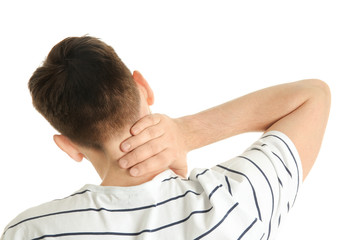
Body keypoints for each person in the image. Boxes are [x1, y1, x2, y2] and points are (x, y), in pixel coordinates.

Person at [1, 36, 331, 240]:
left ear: (68, 146)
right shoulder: (233, 204)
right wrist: (186, 132)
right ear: (143, 86)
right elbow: (312, 96)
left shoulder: (32, 232)